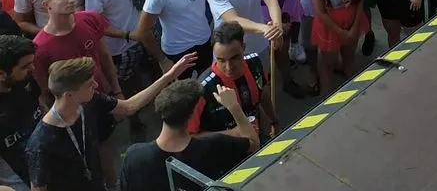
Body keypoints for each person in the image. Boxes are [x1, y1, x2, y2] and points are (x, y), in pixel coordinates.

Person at [25, 53, 195, 191]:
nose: (97, 84)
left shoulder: (89, 100)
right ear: (69, 95)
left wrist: (168, 76)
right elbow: (38, 187)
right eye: (90, 84)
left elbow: (129, 107)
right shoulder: (41, 143)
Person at [119, 79, 258, 191]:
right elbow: (253, 142)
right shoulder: (214, 146)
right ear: (191, 116)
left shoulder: (134, 156)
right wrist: (234, 106)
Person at [187, 22, 278, 140]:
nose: (229, 67)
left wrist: (274, 122)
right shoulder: (202, 89)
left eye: (235, 58)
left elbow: (262, 94)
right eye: (221, 60)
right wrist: (236, 133)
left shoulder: (254, 63)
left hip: (257, 140)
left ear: (244, 47)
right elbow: (189, 136)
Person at [0, 35, 41, 191]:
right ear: (2, 74)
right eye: (25, 67)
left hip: (51, 166)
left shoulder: (26, 82)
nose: (32, 69)